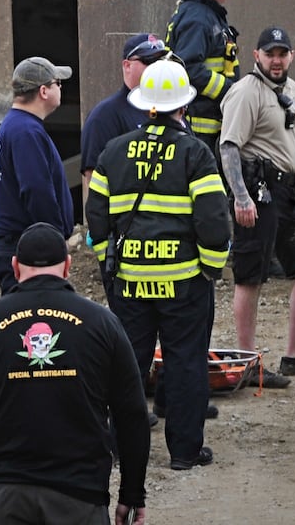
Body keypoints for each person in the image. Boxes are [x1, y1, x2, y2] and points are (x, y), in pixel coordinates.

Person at [0, 223, 150, 525]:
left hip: (0, 496)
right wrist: (132, 494)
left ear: (14, 267)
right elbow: (132, 414)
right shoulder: (102, 323)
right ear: (67, 266)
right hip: (79, 498)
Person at [86, 59, 232, 471]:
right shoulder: (195, 153)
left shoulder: (113, 151)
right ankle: (184, 453)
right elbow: (213, 222)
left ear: (145, 105)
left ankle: (116, 447)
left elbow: (95, 218)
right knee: (185, 362)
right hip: (184, 283)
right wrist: (210, 269)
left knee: (127, 365)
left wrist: (108, 266)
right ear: (183, 106)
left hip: (129, 283)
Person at [218, 26, 295, 383]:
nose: (276, 60)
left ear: (291, 56)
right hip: (257, 192)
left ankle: (294, 356)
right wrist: (240, 196)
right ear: (257, 56)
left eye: (282, 53)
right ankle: (247, 362)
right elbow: (229, 147)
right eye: (270, 54)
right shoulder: (246, 92)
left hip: (285, 194)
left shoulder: (292, 90)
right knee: (250, 277)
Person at [0, 56, 76, 294]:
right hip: (30, 251)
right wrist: (53, 240)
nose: (61, 88)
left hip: (22, 246)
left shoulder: (17, 126)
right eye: (58, 83)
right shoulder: (25, 131)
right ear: (44, 91)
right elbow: (36, 190)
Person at [164, 0, 248, 157]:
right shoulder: (199, 20)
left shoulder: (204, 15)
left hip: (206, 129)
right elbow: (188, 69)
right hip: (198, 131)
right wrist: (231, 91)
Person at [79, 32, 171, 189]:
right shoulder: (104, 116)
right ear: (127, 66)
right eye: (149, 61)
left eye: (161, 61)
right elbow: (94, 176)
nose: (157, 68)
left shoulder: (172, 109)